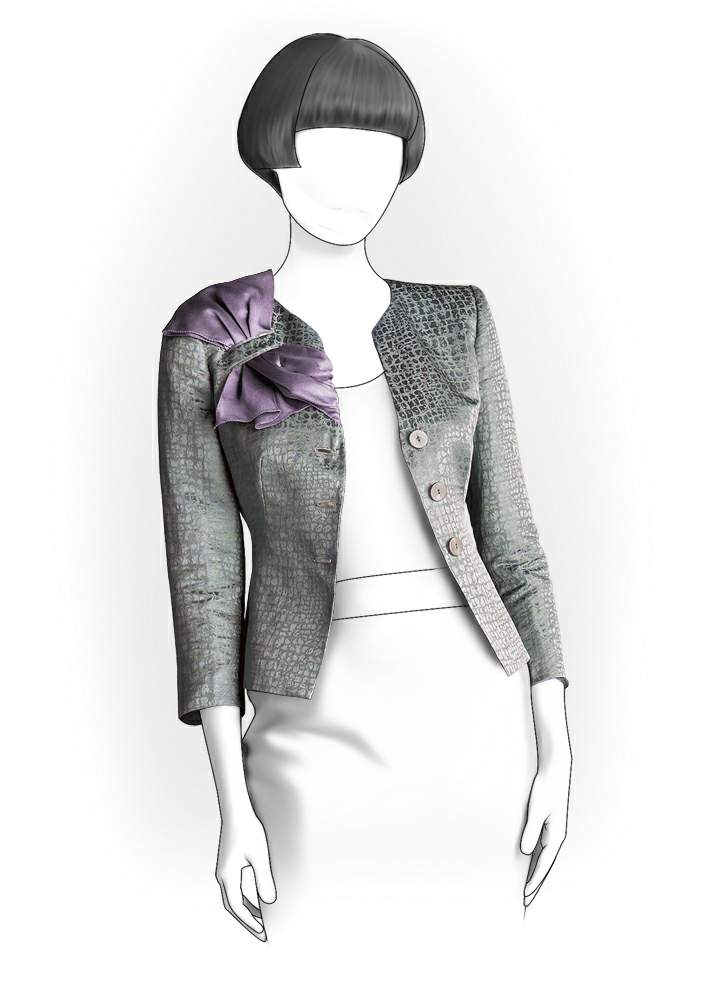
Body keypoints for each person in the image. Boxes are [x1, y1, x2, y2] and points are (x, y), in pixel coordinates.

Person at [157, 33, 572, 949]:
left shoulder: (458, 318)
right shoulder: (212, 334)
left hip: (480, 719)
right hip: (310, 723)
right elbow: (205, 581)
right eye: (325, 144)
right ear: (274, 148)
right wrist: (232, 805)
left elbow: (512, 545)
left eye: (377, 148)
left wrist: (555, 750)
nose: (352, 177)